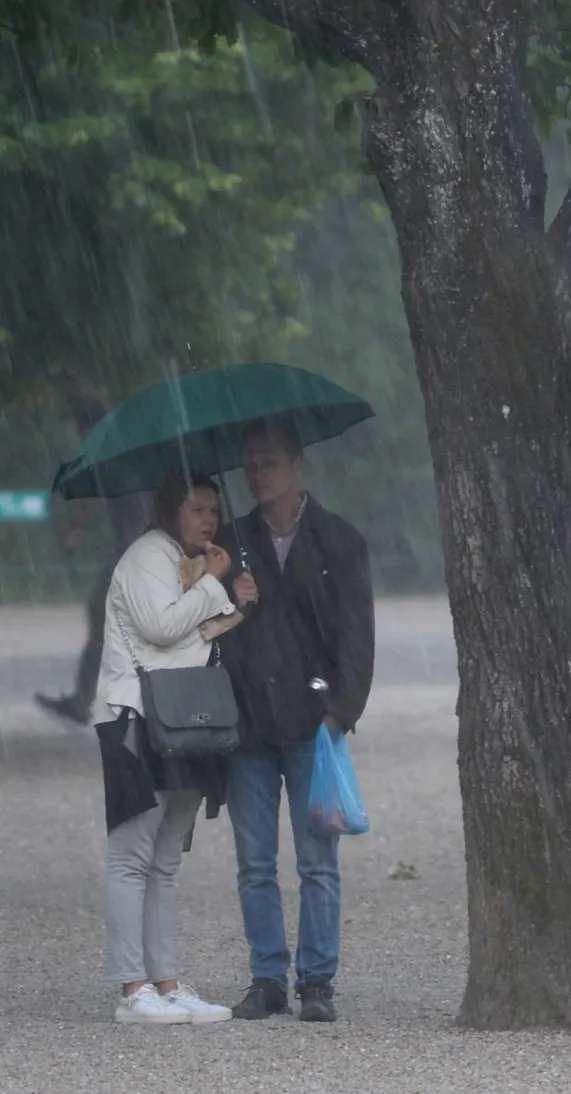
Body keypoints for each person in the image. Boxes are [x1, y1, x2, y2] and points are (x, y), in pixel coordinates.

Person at [219, 419, 375, 1024]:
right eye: (250, 465)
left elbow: (357, 636)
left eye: (269, 463)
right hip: (250, 724)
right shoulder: (231, 545)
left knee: (317, 861)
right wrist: (233, 602)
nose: (259, 475)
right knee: (255, 862)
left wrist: (340, 711)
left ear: (297, 465)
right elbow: (208, 633)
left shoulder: (339, 540)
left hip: (313, 723)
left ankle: (317, 979)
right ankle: (267, 977)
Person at [96, 469, 239, 1025]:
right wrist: (213, 586)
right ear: (169, 510)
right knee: (132, 855)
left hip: (184, 718)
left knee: (165, 860)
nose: (209, 519)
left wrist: (219, 593)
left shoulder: (193, 564)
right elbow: (159, 626)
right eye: (198, 508)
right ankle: (134, 988)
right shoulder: (145, 558)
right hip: (136, 714)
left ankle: (167, 981)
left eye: (214, 510)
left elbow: (200, 634)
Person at [36, 383, 153, 724]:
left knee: (106, 615)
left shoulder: (109, 449)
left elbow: (94, 495)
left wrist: (74, 529)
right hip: (145, 541)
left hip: (136, 544)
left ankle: (93, 700)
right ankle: (95, 698)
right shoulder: (128, 445)